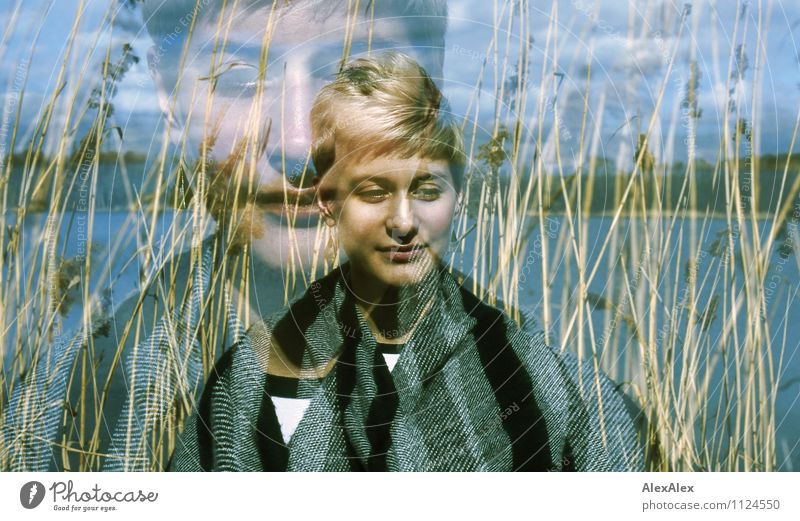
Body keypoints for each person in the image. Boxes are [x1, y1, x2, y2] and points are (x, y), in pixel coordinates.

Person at [0, 0, 449, 471]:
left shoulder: (522, 384)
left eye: (358, 77)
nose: (297, 145)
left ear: (430, 105)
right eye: (239, 80)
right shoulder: (70, 403)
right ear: (170, 106)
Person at [169, 51, 646, 471]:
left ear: (458, 198)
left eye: (427, 190)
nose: (404, 221)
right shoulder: (253, 376)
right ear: (328, 204)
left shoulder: (549, 383)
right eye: (374, 191)